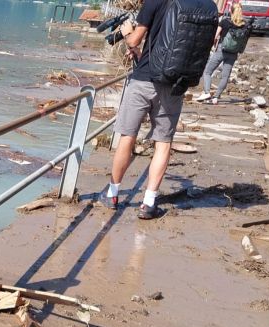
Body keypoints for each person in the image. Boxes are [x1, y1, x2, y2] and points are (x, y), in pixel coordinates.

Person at [101, 0, 191, 220]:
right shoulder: (198, 6)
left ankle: (113, 193)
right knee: (163, 142)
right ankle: (149, 203)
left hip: (143, 81)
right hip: (174, 83)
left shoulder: (155, 2)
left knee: (127, 136)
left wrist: (127, 33)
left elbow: (134, 40)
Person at [197, 3, 250, 105]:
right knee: (225, 76)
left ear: (231, 11)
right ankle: (216, 97)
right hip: (234, 52)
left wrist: (212, 46)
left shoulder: (225, 21)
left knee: (208, 71)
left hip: (222, 50)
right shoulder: (245, 25)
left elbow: (216, 36)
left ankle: (207, 92)